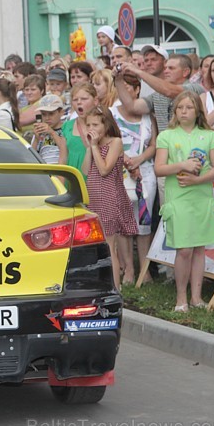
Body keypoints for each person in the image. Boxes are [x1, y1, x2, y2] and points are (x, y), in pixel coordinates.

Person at [155, 91, 214, 312]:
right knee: (184, 249)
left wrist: (198, 179)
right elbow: (159, 168)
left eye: (189, 107)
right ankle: (180, 298)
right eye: (180, 108)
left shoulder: (209, 135)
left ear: (197, 111)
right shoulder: (166, 136)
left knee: (199, 248)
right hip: (179, 198)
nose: (184, 111)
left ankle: (196, 297)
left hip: (201, 196)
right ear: (175, 111)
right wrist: (182, 166)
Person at [81, 107, 138, 290]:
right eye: (88, 124)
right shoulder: (93, 146)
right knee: (97, 244)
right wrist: (91, 147)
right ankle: (102, 283)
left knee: (108, 244)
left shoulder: (116, 142)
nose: (91, 128)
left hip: (109, 196)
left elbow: (105, 169)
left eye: (95, 124)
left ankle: (114, 287)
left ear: (106, 125)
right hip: (93, 196)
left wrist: (96, 147)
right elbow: (85, 170)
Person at [111, 74, 158, 284]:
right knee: (123, 222)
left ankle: (144, 270)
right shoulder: (112, 113)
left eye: (129, 87)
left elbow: (153, 144)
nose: (125, 91)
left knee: (143, 222)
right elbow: (108, 140)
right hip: (119, 170)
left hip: (145, 173)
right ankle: (128, 268)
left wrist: (139, 159)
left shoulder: (148, 115)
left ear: (137, 90)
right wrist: (126, 161)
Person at [62, 83, 99, 178]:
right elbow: (63, 159)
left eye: (84, 99)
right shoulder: (67, 126)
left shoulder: (104, 125)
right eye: (75, 100)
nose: (79, 102)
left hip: (96, 181)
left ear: (95, 101)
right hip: (72, 181)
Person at [31, 94, 67, 165]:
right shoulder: (40, 131)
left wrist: (52, 133)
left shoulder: (67, 128)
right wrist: (36, 139)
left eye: (51, 114)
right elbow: (32, 157)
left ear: (61, 112)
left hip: (61, 171)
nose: (47, 118)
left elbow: (67, 151)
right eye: (44, 114)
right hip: (44, 172)